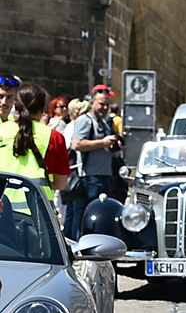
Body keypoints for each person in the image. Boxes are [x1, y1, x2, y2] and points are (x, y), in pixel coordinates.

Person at [0, 84, 72, 205]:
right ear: (43, 108)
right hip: (38, 214)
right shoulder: (54, 137)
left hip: (4, 211)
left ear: (16, 106)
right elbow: (61, 184)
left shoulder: (2, 130)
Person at [70, 84, 122, 217]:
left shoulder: (103, 123)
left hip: (104, 176)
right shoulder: (84, 120)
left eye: (107, 105)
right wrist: (102, 143)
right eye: (101, 104)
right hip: (89, 178)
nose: (105, 108)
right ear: (92, 103)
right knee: (85, 217)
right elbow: (76, 144)